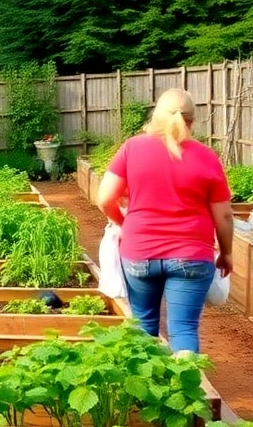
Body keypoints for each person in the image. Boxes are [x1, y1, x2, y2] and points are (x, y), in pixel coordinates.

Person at [96, 88, 233, 353]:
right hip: (192, 255)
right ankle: (185, 390)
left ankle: (148, 392)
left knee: (144, 324)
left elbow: (104, 199)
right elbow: (225, 216)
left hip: (139, 253)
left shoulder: (132, 148)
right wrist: (226, 253)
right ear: (192, 119)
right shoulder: (207, 158)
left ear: (157, 115)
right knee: (183, 328)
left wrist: (124, 225)